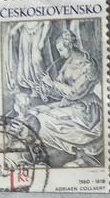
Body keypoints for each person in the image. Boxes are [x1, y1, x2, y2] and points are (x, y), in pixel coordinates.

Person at [28, 30, 104, 166]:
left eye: (61, 50)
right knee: (33, 112)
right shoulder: (68, 62)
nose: (60, 54)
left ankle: (53, 157)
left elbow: (75, 93)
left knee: (43, 121)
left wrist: (52, 83)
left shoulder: (88, 65)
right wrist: (45, 89)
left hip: (85, 111)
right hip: (68, 104)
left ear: (70, 46)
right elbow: (60, 91)